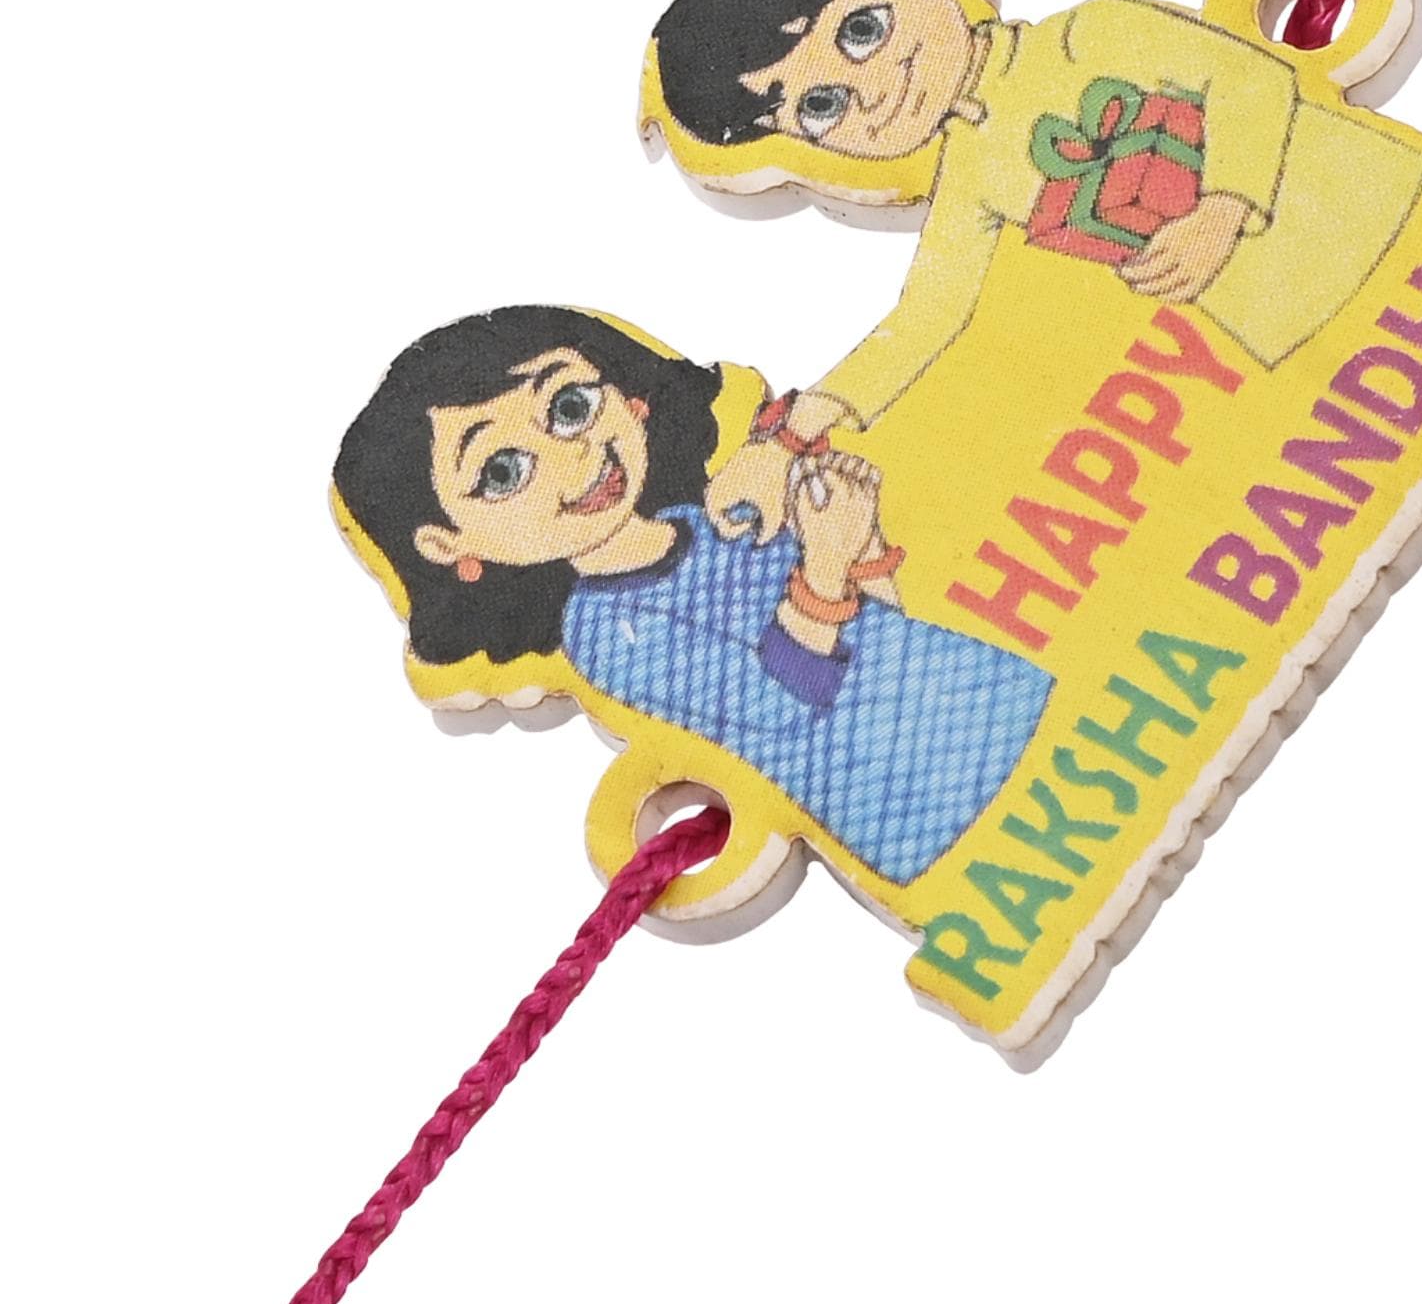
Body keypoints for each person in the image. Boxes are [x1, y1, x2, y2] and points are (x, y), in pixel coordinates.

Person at [650, 0, 1422, 543]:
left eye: (863, 30)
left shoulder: (1090, 34)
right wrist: (789, 438)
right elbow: (926, 320)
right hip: (1307, 338)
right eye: (822, 106)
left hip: (1384, 218)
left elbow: (1246, 80)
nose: (877, 93)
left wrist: (1222, 209)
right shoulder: (971, 180)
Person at [333, 306, 1052, 884]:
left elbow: (884, 623)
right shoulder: (606, 631)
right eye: (503, 472)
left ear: (628, 397)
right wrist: (828, 569)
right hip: (920, 797)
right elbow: (777, 707)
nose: (574, 456)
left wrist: (858, 541)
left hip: (994, 698)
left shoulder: (712, 514)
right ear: (448, 545)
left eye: (571, 406)